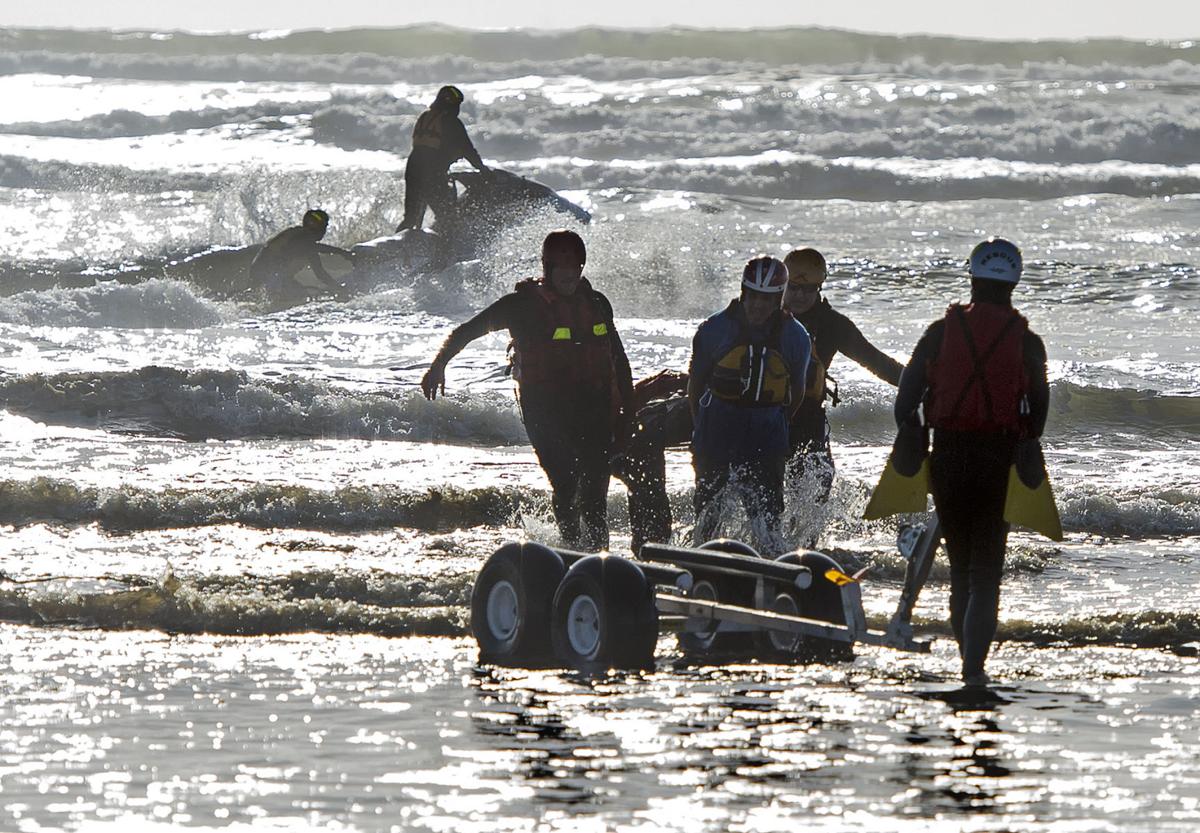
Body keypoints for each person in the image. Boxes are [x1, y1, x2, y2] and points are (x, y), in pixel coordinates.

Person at [893, 238, 1049, 686]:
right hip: (998, 463)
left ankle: (968, 667)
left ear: (972, 277)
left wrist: (918, 432)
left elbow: (905, 403)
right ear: (1015, 281)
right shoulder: (1028, 341)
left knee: (960, 568)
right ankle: (974, 671)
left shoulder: (940, 332)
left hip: (948, 459)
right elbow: (1037, 415)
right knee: (986, 572)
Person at [420, 229, 634, 551]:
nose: (568, 275)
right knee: (566, 481)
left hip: (593, 406)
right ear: (547, 268)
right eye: (561, 268)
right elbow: (467, 330)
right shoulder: (522, 306)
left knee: (594, 494)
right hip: (545, 409)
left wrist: (627, 413)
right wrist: (438, 365)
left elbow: (619, 359)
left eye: (574, 267)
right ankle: (568, 548)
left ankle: (598, 558)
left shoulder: (597, 303)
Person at [688, 255, 811, 555]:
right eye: (753, 296)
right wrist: (701, 430)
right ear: (743, 293)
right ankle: (703, 559)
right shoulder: (713, 330)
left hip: (766, 436)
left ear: (778, 299)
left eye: (767, 299)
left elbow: (796, 394)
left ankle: (768, 566)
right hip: (717, 431)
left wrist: (775, 426)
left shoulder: (796, 337)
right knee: (708, 515)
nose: (758, 305)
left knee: (767, 522)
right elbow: (694, 386)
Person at [782, 247, 905, 503]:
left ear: (820, 288)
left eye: (808, 290)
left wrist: (922, 385)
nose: (799, 296)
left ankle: (805, 542)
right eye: (793, 288)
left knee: (818, 492)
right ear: (782, 285)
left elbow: (878, 363)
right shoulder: (765, 316)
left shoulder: (833, 324)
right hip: (765, 417)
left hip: (808, 419)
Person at [396, 85, 490, 233]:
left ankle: (399, 245)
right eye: (456, 105)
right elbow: (467, 149)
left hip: (413, 167)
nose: (457, 109)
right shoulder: (450, 121)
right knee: (447, 218)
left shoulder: (425, 116)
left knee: (411, 218)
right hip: (430, 171)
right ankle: (444, 252)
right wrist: (483, 170)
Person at [248, 209, 353, 306]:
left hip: (267, 274)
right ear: (316, 226)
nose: (325, 230)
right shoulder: (301, 236)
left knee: (301, 295)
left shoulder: (306, 243)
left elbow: (320, 273)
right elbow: (316, 248)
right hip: (269, 275)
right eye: (324, 226)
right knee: (291, 298)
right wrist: (343, 253)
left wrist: (338, 288)